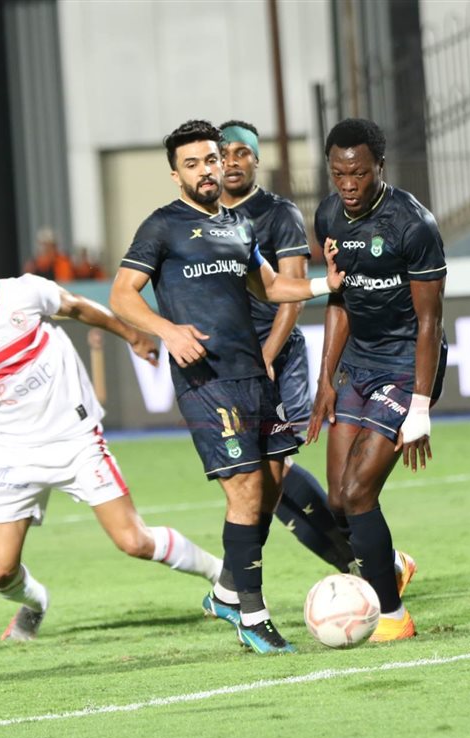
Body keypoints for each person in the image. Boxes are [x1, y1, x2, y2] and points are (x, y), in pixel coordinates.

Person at [0, 223, 224, 641]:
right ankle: (36, 602)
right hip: (14, 454)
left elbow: (77, 307)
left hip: (76, 439)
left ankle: (223, 576)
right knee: (0, 572)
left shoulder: (24, 293)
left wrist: (132, 335)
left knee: (134, 541)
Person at [109, 120, 344, 654]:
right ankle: (252, 615)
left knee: (272, 484)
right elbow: (122, 294)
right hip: (206, 379)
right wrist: (167, 331)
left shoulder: (239, 225)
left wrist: (322, 283)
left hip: (254, 373)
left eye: (211, 160)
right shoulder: (162, 226)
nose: (206, 171)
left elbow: (269, 286)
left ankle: (226, 592)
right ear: (176, 175)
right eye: (191, 164)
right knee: (244, 489)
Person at [306, 117, 445, 642]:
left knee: (359, 490)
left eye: (359, 173)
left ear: (380, 167)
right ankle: (391, 566)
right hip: (358, 364)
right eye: (339, 174)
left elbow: (430, 321)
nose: (348, 184)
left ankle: (393, 616)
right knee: (338, 500)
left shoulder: (414, 225)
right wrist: (326, 379)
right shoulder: (328, 216)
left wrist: (420, 407)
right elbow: (339, 301)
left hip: (407, 363)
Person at [217, 119, 362, 575]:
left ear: (257, 159)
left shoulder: (278, 214)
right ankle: (366, 563)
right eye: (223, 154)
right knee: (259, 479)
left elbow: (292, 296)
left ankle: (237, 580)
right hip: (230, 364)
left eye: (242, 152)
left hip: (275, 358)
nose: (232, 162)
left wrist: (266, 355)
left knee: (271, 473)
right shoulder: (203, 219)